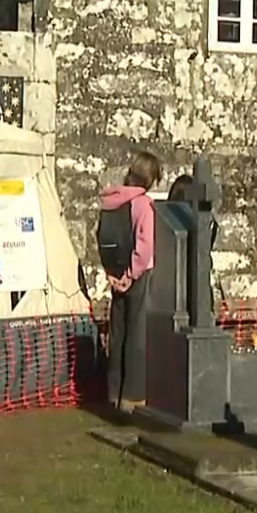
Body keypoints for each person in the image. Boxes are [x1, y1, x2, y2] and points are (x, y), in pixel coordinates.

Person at [98, 152, 162, 411]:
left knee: (118, 333)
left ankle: (113, 393)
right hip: (137, 275)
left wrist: (112, 274)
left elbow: (102, 238)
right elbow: (145, 246)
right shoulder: (143, 204)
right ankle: (133, 396)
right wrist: (131, 275)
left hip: (115, 274)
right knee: (137, 334)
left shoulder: (111, 201)